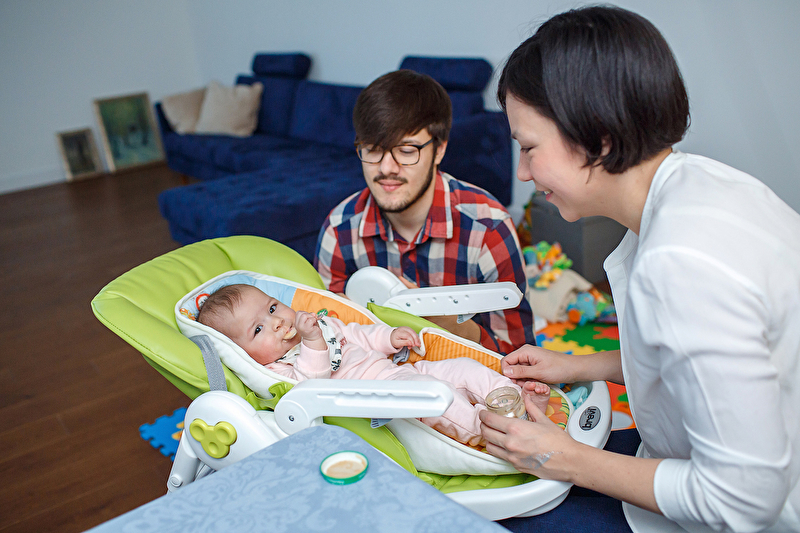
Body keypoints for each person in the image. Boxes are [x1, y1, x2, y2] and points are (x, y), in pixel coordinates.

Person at [479, 6, 800, 533]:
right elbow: (695, 366)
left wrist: (564, 458)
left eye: (529, 148)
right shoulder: (698, 184)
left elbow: (743, 500)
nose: (523, 171)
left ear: (597, 137)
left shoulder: (684, 262)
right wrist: (579, 366)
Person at [314, 69, 535, 355]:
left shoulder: (487, 229)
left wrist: (446, 325)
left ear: (439, 150)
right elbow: (326, 343)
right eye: (372, 149)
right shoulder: (339, 230)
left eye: (407, 151)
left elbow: (518, 356)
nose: (386, 168)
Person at [196, 283, 551, 447]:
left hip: (402, 370)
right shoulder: (276, 371)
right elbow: (311, 382)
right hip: (387, 397)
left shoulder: (321, 323)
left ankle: (514, 399)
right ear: (243, 353)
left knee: (463, 367)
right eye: (258, 329)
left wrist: (389, 337)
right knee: (438, 397)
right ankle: (494, 433)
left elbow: (357, 334)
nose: (276, 322)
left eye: (273, 308)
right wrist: (312, 341)